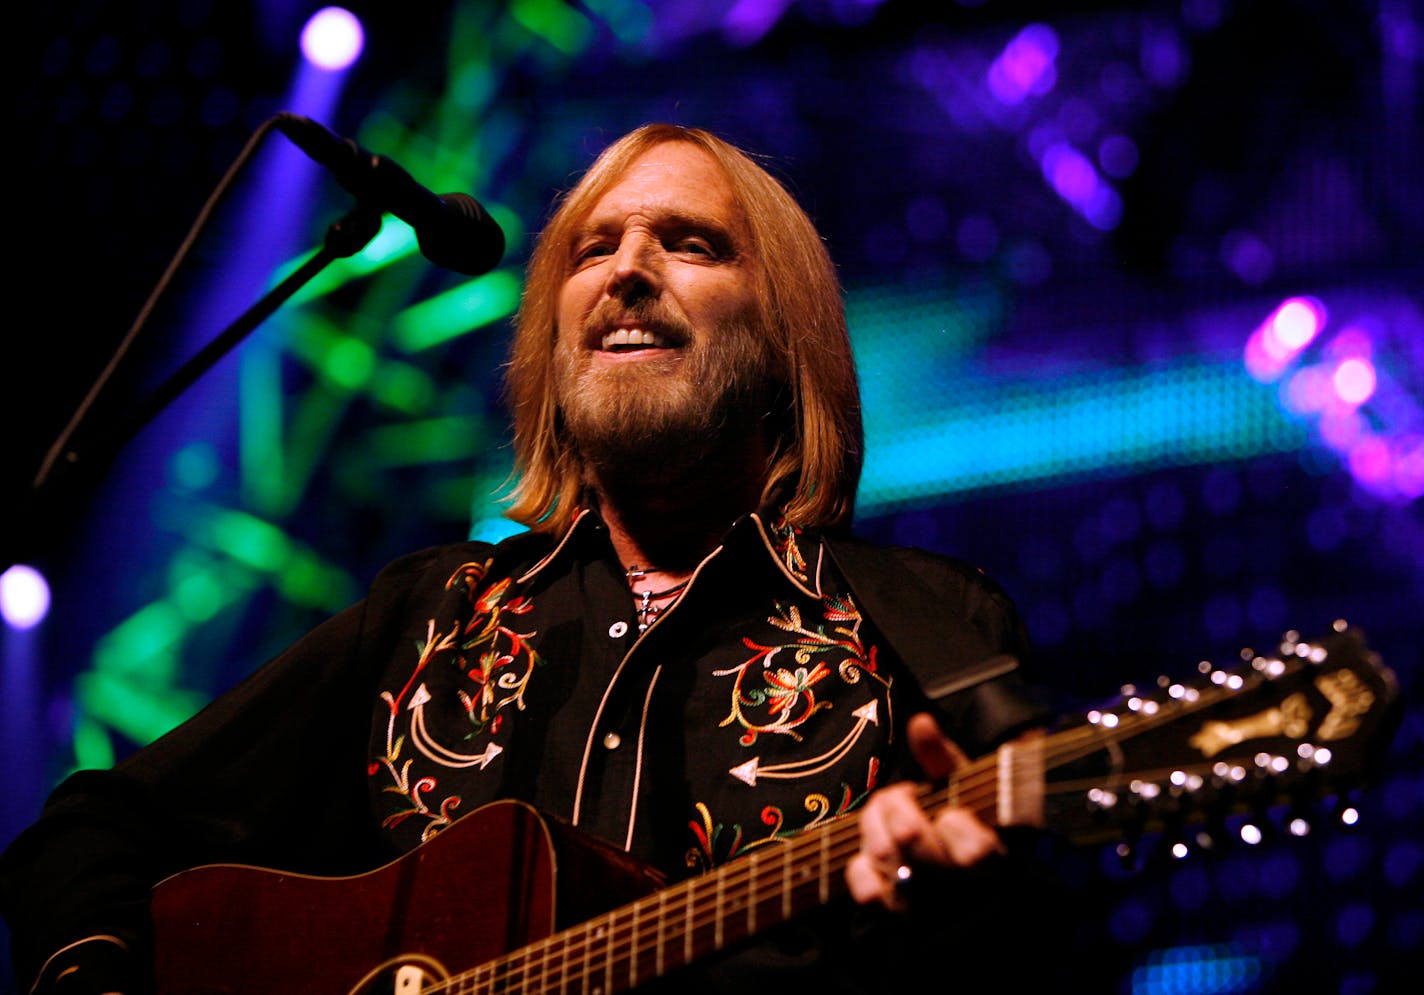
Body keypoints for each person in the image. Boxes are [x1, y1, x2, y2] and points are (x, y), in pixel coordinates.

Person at [0, 124, 1055, 994]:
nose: (627, 271)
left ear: (785, 335)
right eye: (591, 249)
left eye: (687, 242)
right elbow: (92, 831)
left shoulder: (927, 631)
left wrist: (949, 914)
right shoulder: (432, 619)